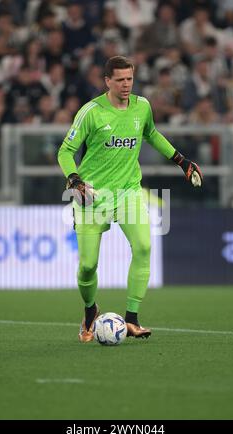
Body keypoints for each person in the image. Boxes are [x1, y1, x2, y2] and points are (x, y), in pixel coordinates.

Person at [58, 56, 203, 343]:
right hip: (93, 197)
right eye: (120, 80)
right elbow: (65, 151)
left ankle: (132, 319)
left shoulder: (142, 106)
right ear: (107, 81)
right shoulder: (91, 112)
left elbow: (151, 133)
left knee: (144, 246)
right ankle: (90, 311)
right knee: (88, 266)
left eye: (130, 79)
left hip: (128, 191)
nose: (126, 85)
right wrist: (75, 179)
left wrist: (181, 160)